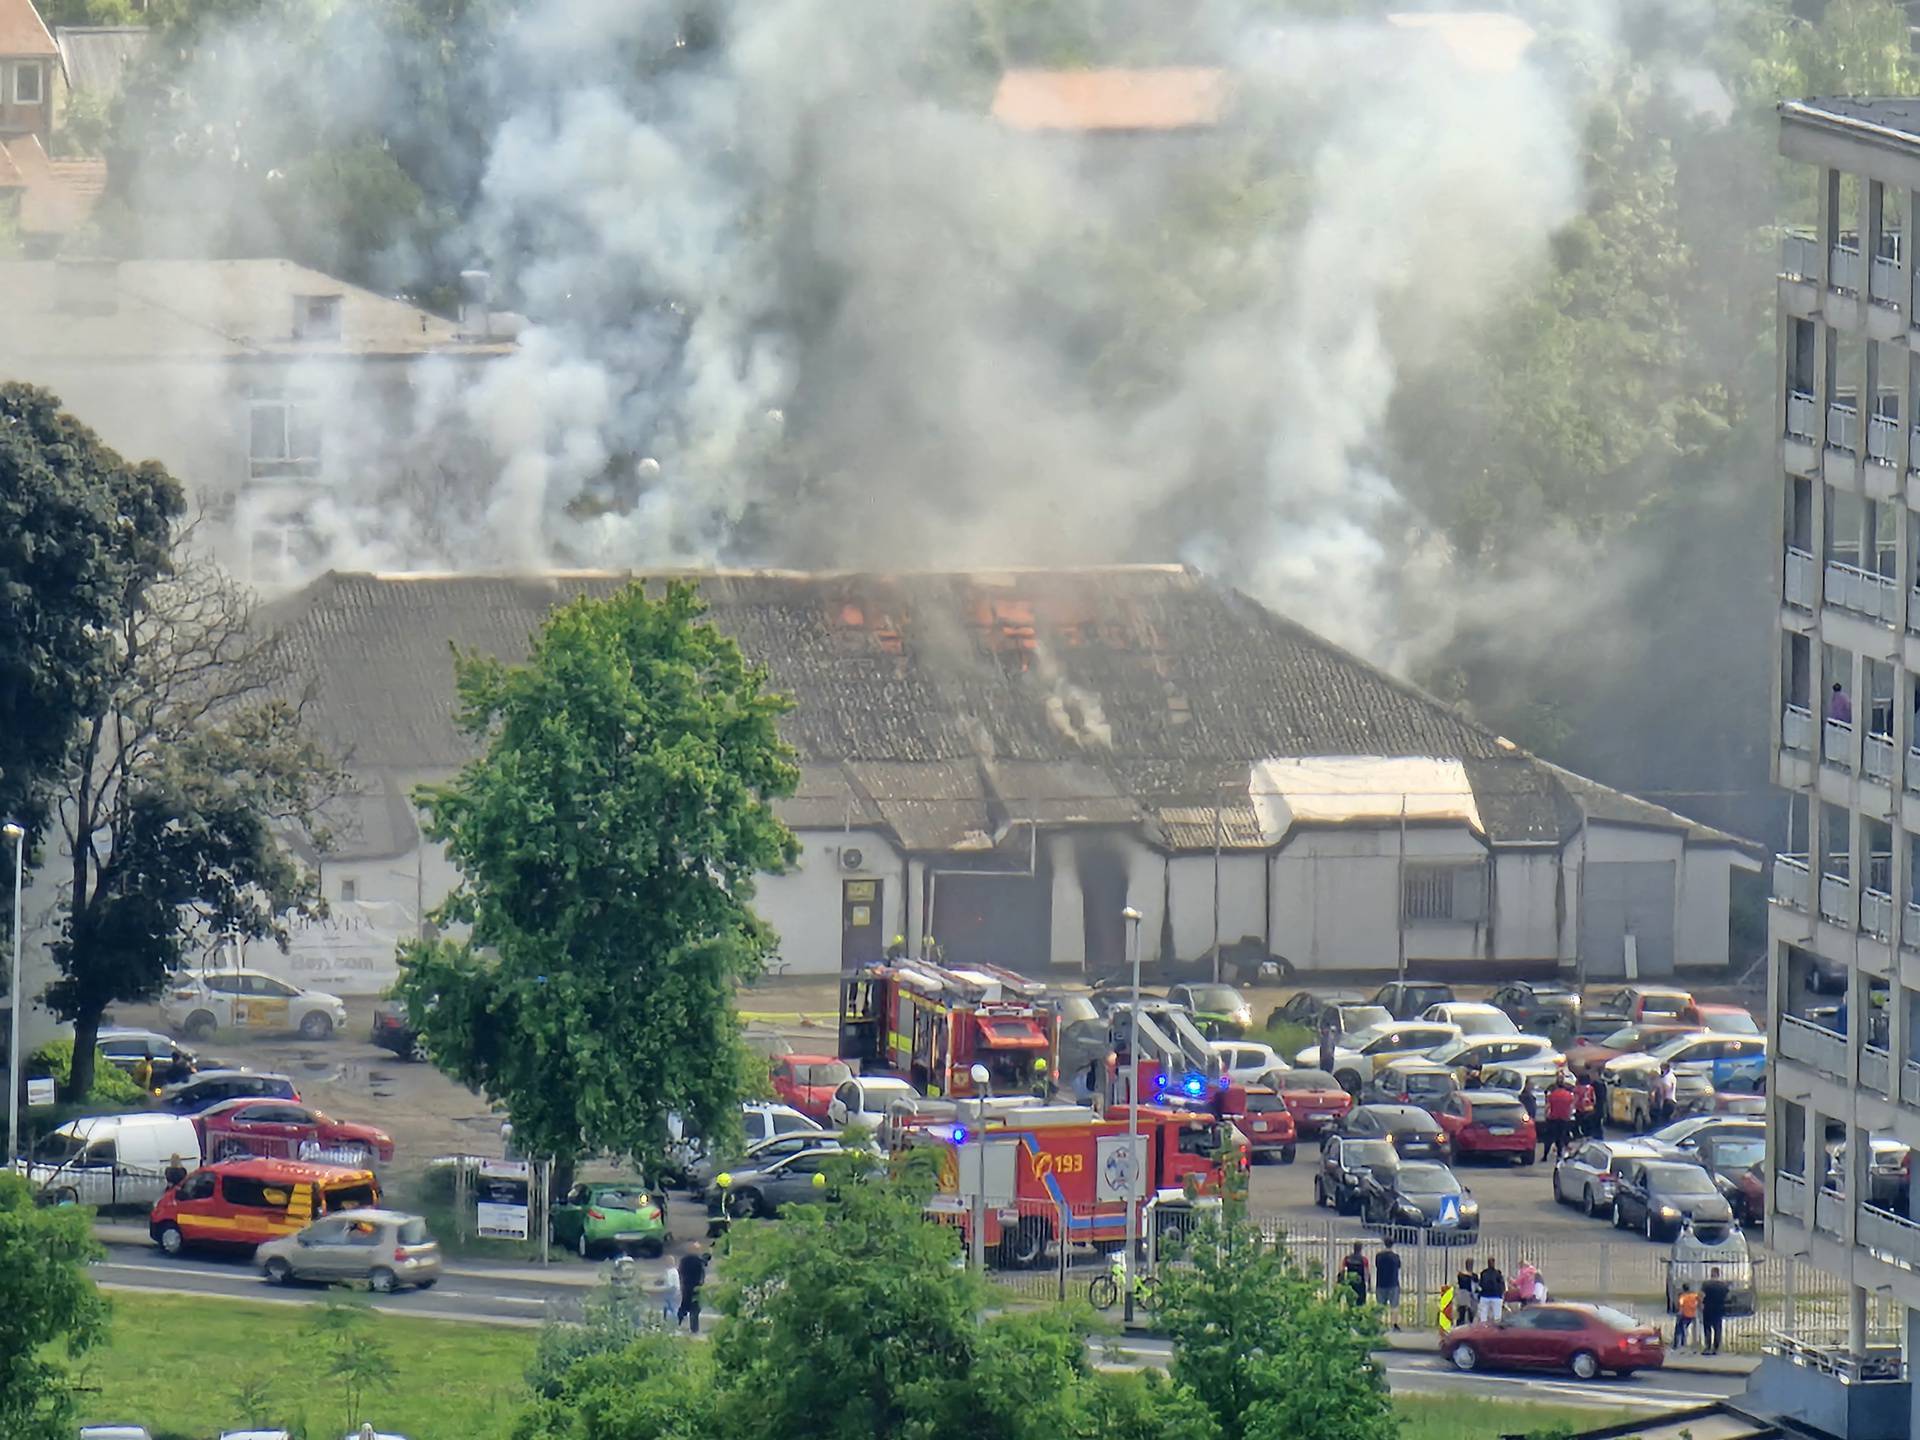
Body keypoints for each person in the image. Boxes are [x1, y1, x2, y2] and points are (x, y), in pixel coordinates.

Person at [677, 1243, 708, 1335]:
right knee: (694, 1308)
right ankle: (694, 1328)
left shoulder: (684, 1260)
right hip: (695, 1287)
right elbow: (702, 1274)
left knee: (685, 1306)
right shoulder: (698, 1261)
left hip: (686, 1286)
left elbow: (680, 1272)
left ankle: (679, 1322)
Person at [1543, 1077, 1575, 1161]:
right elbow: (1571, 1107)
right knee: (1561, 1137)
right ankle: (1560, 1154)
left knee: (1549, 1138)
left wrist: (1546, 1116)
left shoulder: (1552, 1095)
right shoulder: (1569, 1095)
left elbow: (1548, 1107)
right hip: (1564, 1119)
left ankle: (1545, 1155)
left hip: (1553, 1118)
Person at [1701, 1266, 1730, 1355]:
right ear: (1719, 1274)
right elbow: (1727, 1297)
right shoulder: (1723, 1286)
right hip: (1719, 1308)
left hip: (1708, 1308)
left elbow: (1701, 1295)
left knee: (1707, 1328)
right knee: (1717, 1328)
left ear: (1711, 1274)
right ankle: (1716, 1348)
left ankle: (1708, 1346)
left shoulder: (1706, 1284)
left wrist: (1701, 1304)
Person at [1375, 1236, 1402, 1330]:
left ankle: (1377, 1324)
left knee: (1380, 1305)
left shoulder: (1378, 1256)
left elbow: (1377, 1265)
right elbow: (1399, 1267)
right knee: (1394, 1305)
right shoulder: (1395, 1257)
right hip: (1393, 1283)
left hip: (1381, 1283)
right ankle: (1394, 1324)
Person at [1476, 1257, 1506, 1325]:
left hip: (1485, 1296)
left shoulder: (1484, 1273)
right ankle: (1496, 1331)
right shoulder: (1497, 1273)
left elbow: (1480, 1284)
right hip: (1496, 1296)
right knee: (1497, 1317)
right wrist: (1502, 1294)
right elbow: (1502, 1284)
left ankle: (1483, 1329)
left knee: (1483, 1317)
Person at [1340, 1241, 1369, 1306]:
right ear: (1361, 1249)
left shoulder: (1347, 1259)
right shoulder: (1364, 1260)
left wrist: (1342, 1282)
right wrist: (1368, 1283)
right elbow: (1366, 1272)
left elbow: (1342, 1271)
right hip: (1360, 1283)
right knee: (1361, 1303)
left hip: (1351, 1283)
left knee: (1351, 1302)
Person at [1673, 1282, 1699, 1351]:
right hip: (1693, 1315)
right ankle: (1692, 1344)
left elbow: (1681, 1306)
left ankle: (1677, 1344)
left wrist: (1679, 1314)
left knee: (1679, 1329)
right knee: (1689, 1329)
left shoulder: (1683, 1297)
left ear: (1683, 1289)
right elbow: (1697, 1303)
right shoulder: (1694, 1295)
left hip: (1684, 1315)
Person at [1574, 1076, 1597, 1140]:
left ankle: (1580, 1135)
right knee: (1588, 1124)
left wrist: (1573, 1106)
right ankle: (1589, 1135)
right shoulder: (1591, 1088)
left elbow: (1575, 1099)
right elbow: (1594, 1099)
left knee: (1579, 1123)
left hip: (1580, 1109)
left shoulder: (1577, 1089)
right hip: (1589, 1109)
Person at [661, 1257, 682, 1326]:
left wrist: (677, 1291)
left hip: (672, 1289)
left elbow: (675, 1282)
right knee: (666, 1306)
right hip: (667, 1289)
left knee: (671, 1306)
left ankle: (676, 1321)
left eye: (668, 1261)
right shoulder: (667, 1270)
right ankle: (665, 1319)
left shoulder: (674, 1271)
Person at [1589, 1073, 1609, 1138]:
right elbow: (1604, 1098)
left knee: (1595, 1125)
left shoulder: (1593, 1085)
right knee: (1598, 1125)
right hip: (1599, 1109)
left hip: (1594, 1109)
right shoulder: (1602, 1085)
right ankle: (1599, 1138)